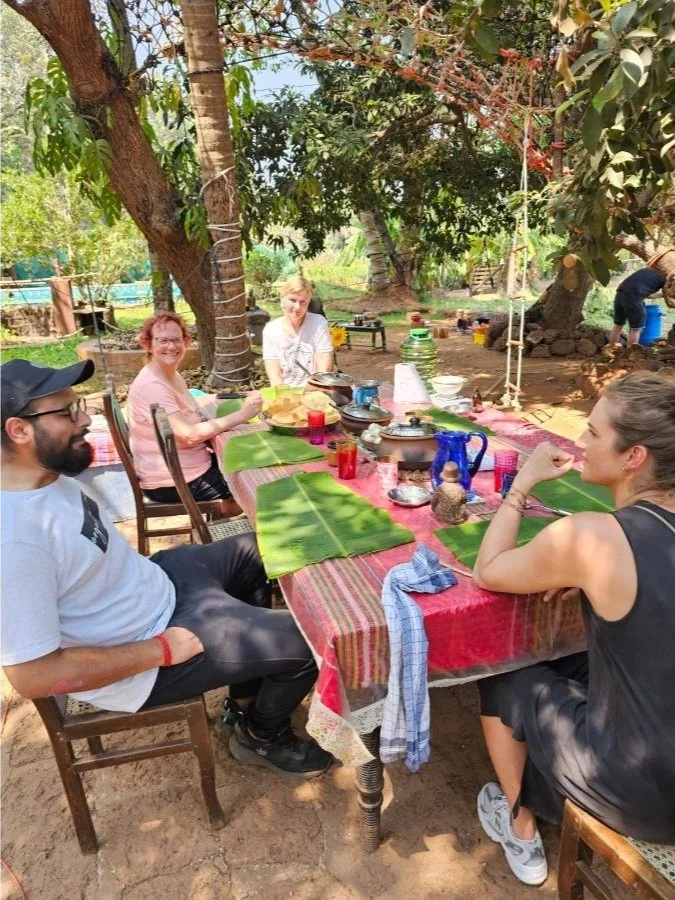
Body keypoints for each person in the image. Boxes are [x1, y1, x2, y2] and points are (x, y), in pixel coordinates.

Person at [0, 359, 332, 779]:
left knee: (265, 549)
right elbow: (32, 675)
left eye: (78, 405)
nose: (85, 419)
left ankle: (244, 702)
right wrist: (160, 650)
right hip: (149, 646)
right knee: (312, 638)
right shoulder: (15, 541)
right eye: (68, 412)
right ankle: (262, 735)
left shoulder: (46, 476)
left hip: (159, 585)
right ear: (19, 430)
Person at [469, 371, 675, 886]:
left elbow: (488, 569)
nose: (578, 443)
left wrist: (523, 481)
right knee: (577, 661)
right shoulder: (619, 540)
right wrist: (586, 580)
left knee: (506, 667)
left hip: (643, 796)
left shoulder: (592, 538)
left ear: (635, 457)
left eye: (592, 433)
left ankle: (517, 818)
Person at [127, 312, 262, 517]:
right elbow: (190, 434)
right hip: (173, 481)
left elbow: (195, 414)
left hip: (186, 467)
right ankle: (225, 524)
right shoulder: (152, 385)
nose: (171, 347)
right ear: (148, 344)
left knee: (250, 456)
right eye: (163, 341)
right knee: (256, 482)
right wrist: (244, 414)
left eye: (176, 340)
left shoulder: (171, 375)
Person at [262, 275, 333, 387]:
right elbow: (274, 373)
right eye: (292, 300)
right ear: (282, 298)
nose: (297, 307)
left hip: (315, 389)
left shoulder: (318, 323)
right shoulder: (271, 330)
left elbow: (324, 360)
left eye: (303, 302)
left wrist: (318, 386)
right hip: (286, 393)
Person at [608, 266, 674, 345]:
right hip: (634, 298)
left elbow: (649, 295)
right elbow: (669, 300)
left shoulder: (650, 270)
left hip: (620, 293)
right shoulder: (668, 277)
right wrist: (666, 296)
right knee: (636, 329)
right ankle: (630, 353)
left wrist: (663, 295)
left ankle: (612, 349)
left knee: (618, 325)